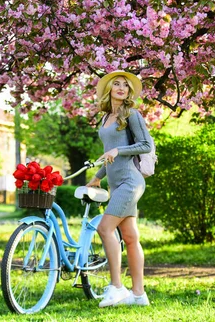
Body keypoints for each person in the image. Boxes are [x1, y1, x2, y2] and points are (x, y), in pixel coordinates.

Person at [86, 70, 153, 308]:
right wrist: (97, 176)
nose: (122, 87)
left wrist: (119, 151)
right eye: (117, 84)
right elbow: (110, 154)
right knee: (131, 238)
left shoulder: (132, 115)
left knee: (105, 228)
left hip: (131, 182)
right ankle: (138, 294)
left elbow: (146, 144)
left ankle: (116, 287)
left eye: (126, 85)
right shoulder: (105, 118)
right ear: (109, 89)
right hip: (116, 183)